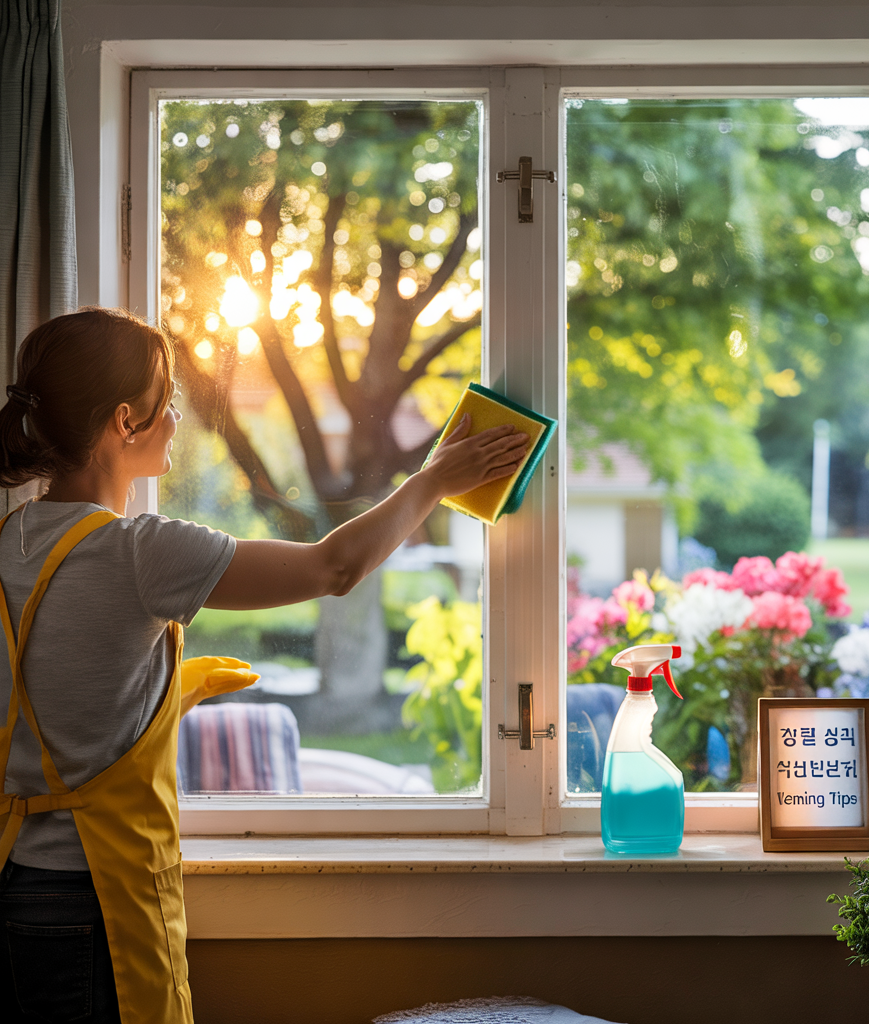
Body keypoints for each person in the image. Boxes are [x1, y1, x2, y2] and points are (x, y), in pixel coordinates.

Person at [0, 307, 529, 1024]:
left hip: (16, 877)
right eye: (166, 399)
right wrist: (434, 481)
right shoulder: (138, 552)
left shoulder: (11, 539)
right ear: (125, 422)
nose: (176, 417)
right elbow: (333, 568)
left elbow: (54, 685)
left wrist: (160, 692)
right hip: (95, 894)